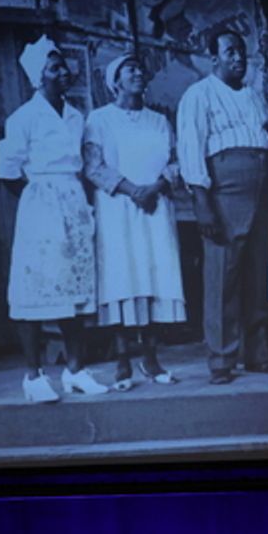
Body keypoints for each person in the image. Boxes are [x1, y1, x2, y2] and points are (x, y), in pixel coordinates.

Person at [0, 35, 109, 402]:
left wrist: (70, 200)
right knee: (35, 289)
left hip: (73, 203)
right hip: (40, 207)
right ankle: (33, 375)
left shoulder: (77, 116)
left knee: (74, 291)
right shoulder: (24, 118)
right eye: (54, 67)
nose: (64, 72)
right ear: (37, 77)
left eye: (64, 65)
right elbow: (8, 171)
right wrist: (38, 202)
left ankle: (75, 370)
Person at [176, 28, 268, 385]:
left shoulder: (253, 96)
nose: (238, 58)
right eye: (230, 52)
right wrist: (202, 201)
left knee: (258, 272)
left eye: (241, 51)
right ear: (214, 57)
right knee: (222, 276)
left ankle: (258, 354)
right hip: (224, 189)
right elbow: (192, 147)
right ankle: (221, 359)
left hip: (262, 186)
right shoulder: (198, 95)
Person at [83, 53, 186, 390]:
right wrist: (131, 190)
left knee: (155, 275)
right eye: (130, 69)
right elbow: (94, 166)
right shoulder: (99, 120)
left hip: (154, 207)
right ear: (115, 81)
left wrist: (154, 188)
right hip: (118, 208)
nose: (138, 73)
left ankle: (151, 358)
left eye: (140, 69)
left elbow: (174, 162)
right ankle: (123, 358)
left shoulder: (159, 121)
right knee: (122, 277)